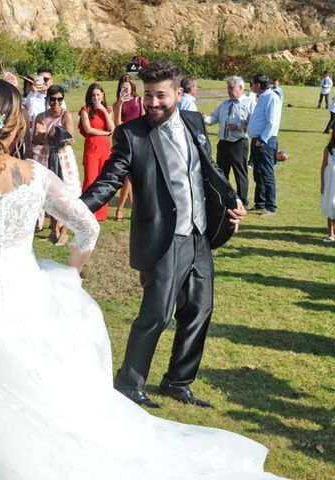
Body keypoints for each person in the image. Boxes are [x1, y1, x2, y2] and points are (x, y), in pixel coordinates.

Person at [0, 79, 284, 480]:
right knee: (26, 384)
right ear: (17, 124)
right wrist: (69, 273)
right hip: (25, 290)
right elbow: (88, 227)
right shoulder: (35, 175)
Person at [81, 59, 247, 409]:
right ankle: (129, 382)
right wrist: (77, 209)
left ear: (177, 93)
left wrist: (233, 199)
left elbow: (209, 166)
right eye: (148, 95)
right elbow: (111, 179)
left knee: (200, 310)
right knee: (157, 313)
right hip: (164, 235)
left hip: (199, 232)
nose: (153, 103)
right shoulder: (132, 133)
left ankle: (177, 381)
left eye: (161, 95)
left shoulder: (193, 121)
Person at [33, 84, 80, 244]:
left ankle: (64, 231)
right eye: (52, 99)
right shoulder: (41, 116)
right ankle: (53, 230)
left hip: (62, 157)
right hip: (47, 156)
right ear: (48, 100)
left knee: (65, 195)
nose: (56, 102)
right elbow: (35, 141)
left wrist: (56, 134)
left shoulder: (65, 115)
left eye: (59, 99)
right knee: (49, 195)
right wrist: (40, 134)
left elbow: (72, 139)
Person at [203, 75, 255, 209]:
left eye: (231, 88)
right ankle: (223, 200)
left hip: (238, 143)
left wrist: (239, 126)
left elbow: (255, 124)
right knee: (221, 173)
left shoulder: (249, 103)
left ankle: (243, 202)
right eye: (228, 88)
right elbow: (213, 118)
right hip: (223, 143)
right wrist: (205, 118)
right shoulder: (225, 104)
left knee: (240, 174)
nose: (228, 90)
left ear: (241, 88)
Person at [247, 73, 282, 217]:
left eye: (252, 83)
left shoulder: (271, 98)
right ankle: (260, 203)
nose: (251, 86)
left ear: (259, 85)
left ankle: (270, 207)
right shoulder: (262, 97)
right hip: (257, 140)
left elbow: (272, 121)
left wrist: (263, 139)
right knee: (258, 173)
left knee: (267, 173)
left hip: (264, 142)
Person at [79, 83, 114, 222]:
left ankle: (101, 214)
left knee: (103, 181)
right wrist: (105, 133)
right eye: (93, 95)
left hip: (105, 149)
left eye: (98, 95)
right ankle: (86, 211)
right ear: (89, 96)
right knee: (90, 180)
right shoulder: (85, 110)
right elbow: (88, 129)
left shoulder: (108, 110)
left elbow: (112, 128)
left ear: (103, 95)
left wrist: (104, 111)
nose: (96, 97)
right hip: (92, 148)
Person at [112, 75, 143, 221]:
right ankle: (121, 208)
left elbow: (143, 120)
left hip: (138, 140)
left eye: (127, 86)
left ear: (132, 86)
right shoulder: (117, 104)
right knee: (128, 176)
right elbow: (117, 125)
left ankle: (124, 208)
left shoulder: (139, 100)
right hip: (124, 140)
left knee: (130, 176)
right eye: (122, 87)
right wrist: (119, 104)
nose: (125, 89)